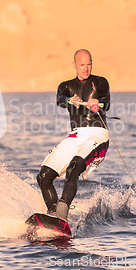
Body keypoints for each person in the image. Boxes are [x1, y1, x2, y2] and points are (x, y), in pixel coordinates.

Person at [37, 49, 110, 220]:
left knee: (73, 167)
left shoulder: (100, 82)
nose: (86, 68)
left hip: (97, 135)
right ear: (74, 65)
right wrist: (70, 101)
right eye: (82, 65)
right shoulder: (66, 86)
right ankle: (54, 215)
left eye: (89, 64)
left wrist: (97, 103)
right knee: (43, 177)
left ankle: (61, 214)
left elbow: (106, 102)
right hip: (77, 135)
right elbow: (60, 99)